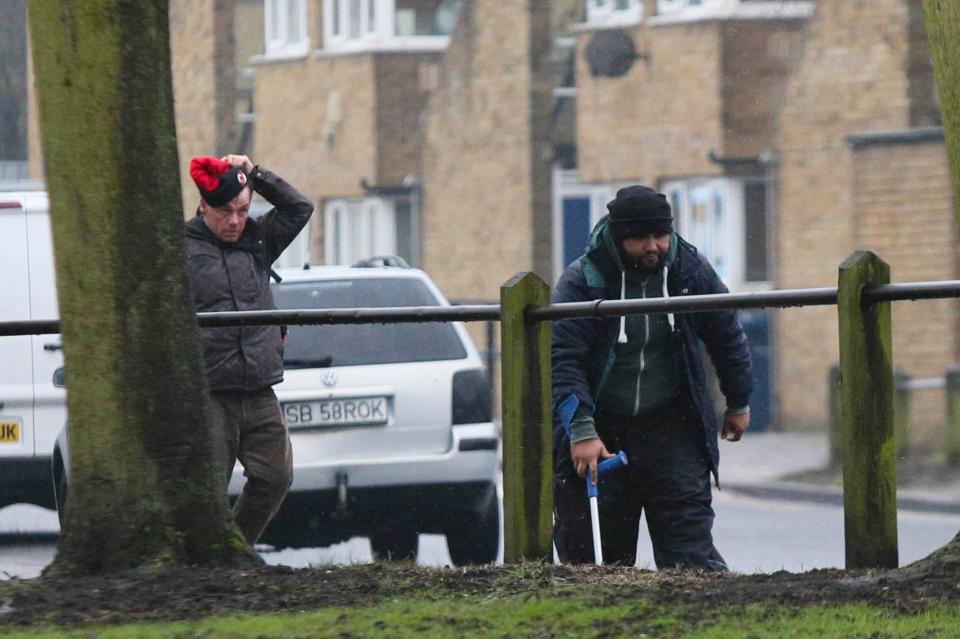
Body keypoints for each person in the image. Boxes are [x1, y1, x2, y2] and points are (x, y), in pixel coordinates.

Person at [551, 185, 752, 570]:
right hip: (603, 424)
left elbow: (726, 333)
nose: (653, 246)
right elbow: (565, 360)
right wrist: (581, 430)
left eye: (660, 235)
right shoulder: (582, 281)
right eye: (639, 238)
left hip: (672, 423)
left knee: (689, 550)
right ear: (617, 236)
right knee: (594, 557)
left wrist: (738, 400)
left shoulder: (691, 271)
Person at [185, 154, 313, 545]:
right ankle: (202, 564)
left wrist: (256, 175)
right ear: (203, 206)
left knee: (275, 477)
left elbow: (299, 208)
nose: (235, 221)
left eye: (243, 210)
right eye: (225, 211)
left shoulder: (258, 240)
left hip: (258, 387)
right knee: (206, 491)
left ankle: (234, 549)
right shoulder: (181, 250)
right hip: (211, 391)